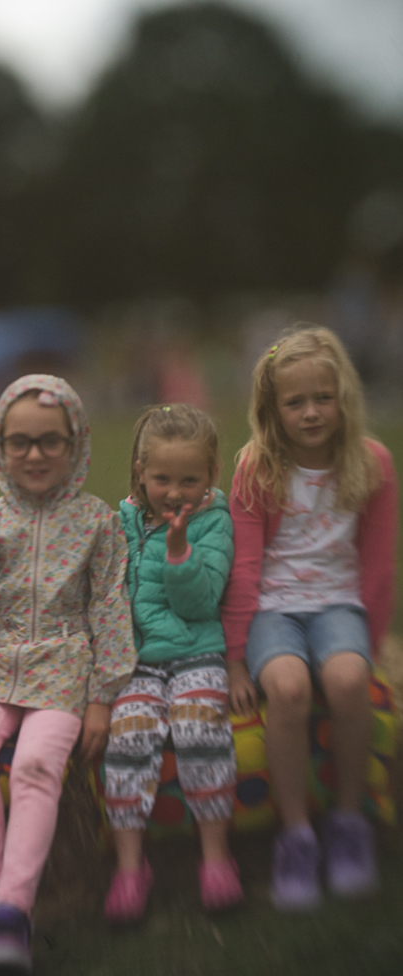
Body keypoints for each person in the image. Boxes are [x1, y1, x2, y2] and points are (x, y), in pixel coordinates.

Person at [0, 374, 136, 976]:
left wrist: (102, 697)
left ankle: (13, 915)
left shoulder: (98, 524)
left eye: (49, 442)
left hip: (67, 665)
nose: (35, 455)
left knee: (38, 763)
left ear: (76, 445)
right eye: (20, 442)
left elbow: (109, 608)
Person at [222, 326, 398, 910]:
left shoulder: (371, 463)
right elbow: (244, 569)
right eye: (295, 402)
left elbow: (376, 566)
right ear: (272, 409)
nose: (312, 412)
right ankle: (295, 834)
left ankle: (348, 823)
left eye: (323, 397)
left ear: (342, 395)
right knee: (290, 689)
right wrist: (236, 660)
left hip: (338, 604)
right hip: (274, 610)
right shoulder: (258, 466)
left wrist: (368, 647)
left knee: (348, 681)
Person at [102, 403, 243, 923]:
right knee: (130, 737)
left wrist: (179, 550)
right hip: (138, 664)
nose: (175, 492)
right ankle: (130, 868)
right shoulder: (121, 519)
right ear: (140, 471)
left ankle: (215, 857)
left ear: (211, 475)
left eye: (190, 478)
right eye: (162, 478)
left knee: (199, 728)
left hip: (196, 653)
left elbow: (201, 604)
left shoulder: (213, 521)